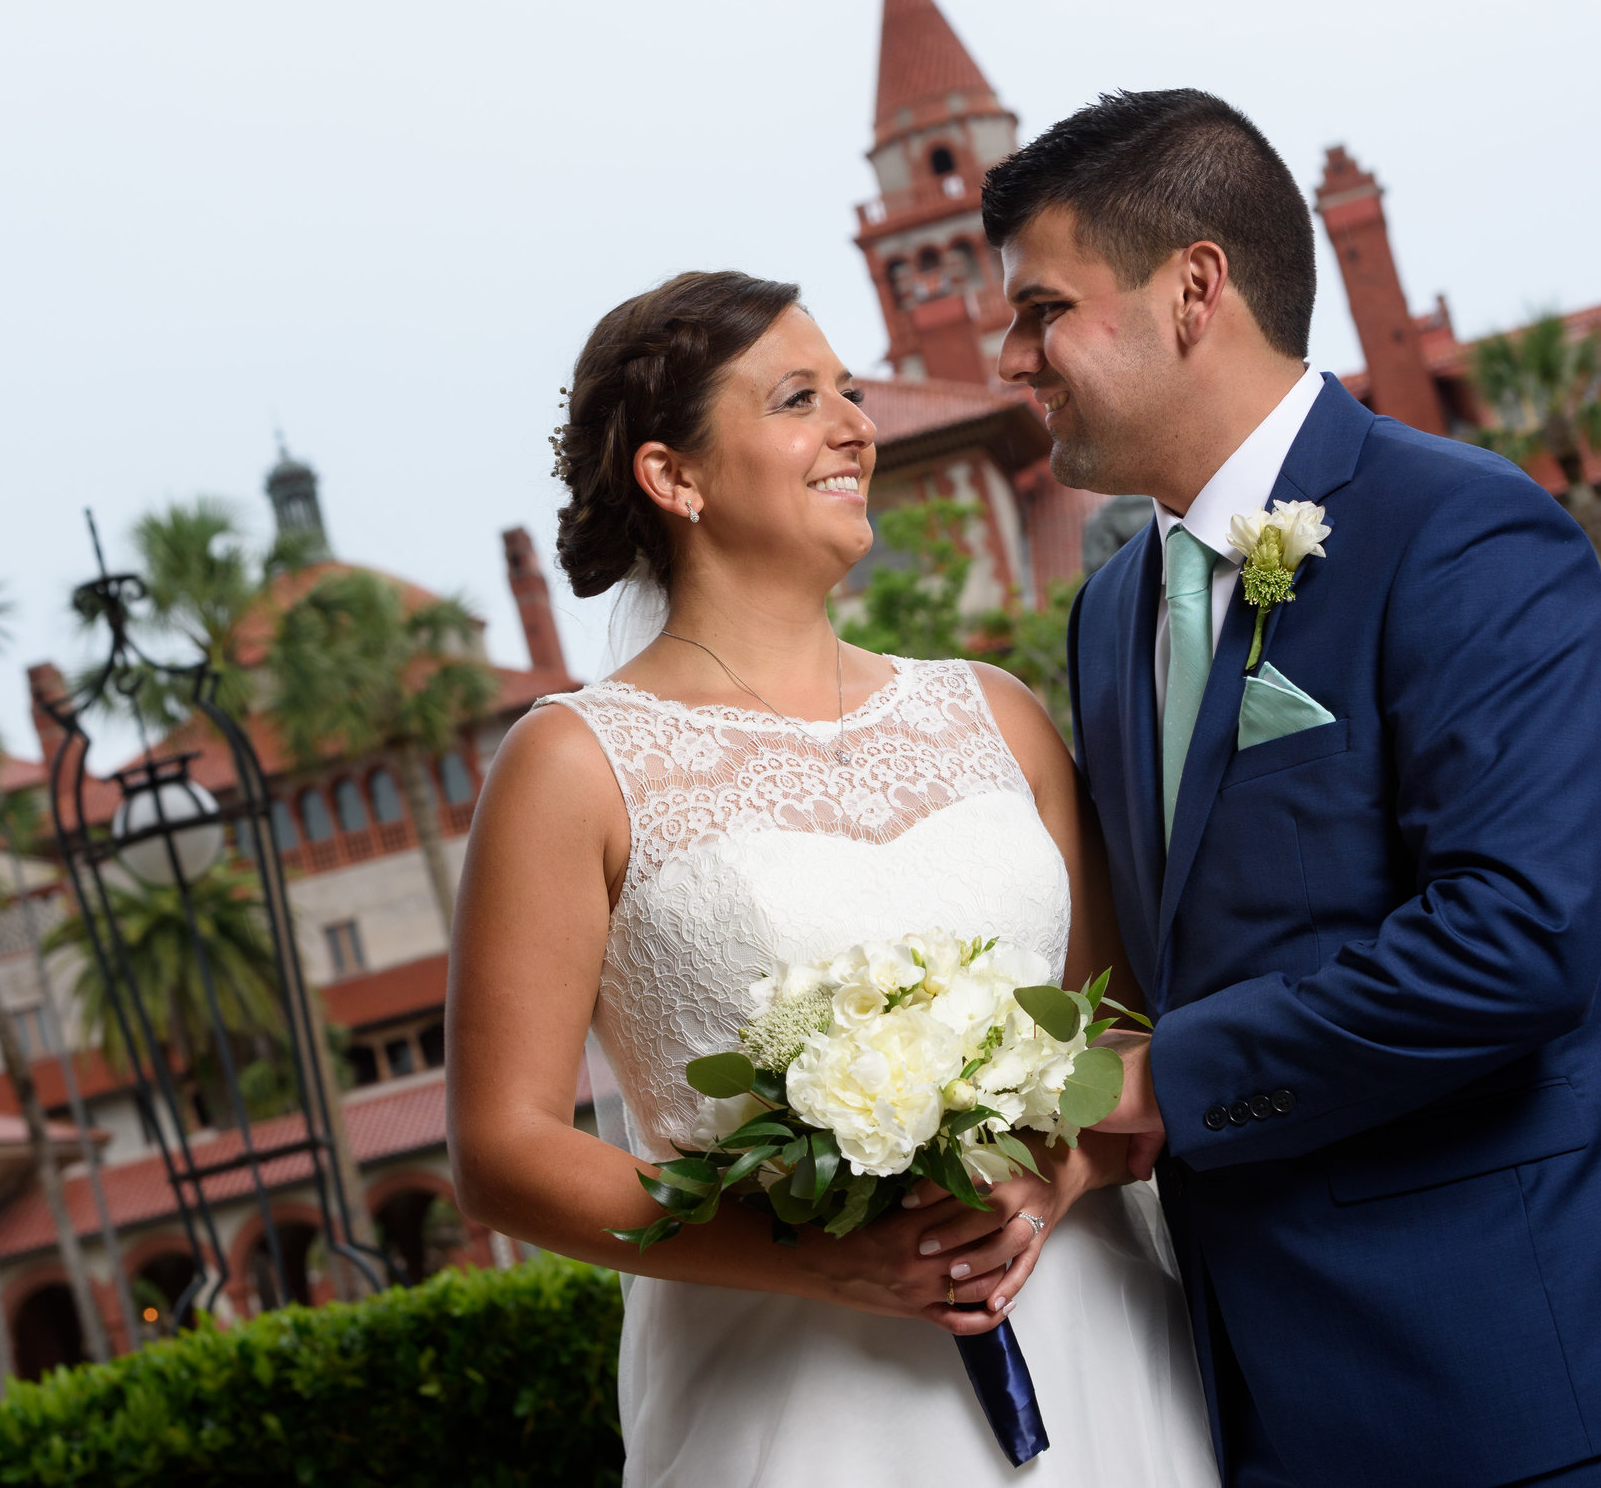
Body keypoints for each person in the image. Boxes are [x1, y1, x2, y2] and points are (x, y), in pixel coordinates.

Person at [989, 88, 1601, 1486]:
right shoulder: (1108, 611)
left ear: (1195, 288)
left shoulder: (1467, 531)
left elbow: (1516, 941)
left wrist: (1158, 1083)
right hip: (1278, 1412)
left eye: (1040, 310)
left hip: (1557, 1389)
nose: (1014, 360)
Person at [446, 271, 1216, 1485]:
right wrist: (823, 1260)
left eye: (850, 392)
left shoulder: (995, 715)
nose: (855, 424)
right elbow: (502, 1147)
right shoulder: (572, 763)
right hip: (800, 1395)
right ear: (673, 476)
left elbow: (1120, 1034)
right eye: (800, 398)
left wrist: (1051, 1177)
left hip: (1092, 1330)